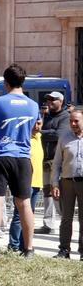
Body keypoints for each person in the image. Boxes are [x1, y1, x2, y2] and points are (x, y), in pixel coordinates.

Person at [0, 64, 40, 258]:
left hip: (0, 155)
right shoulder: (33, 105)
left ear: (5, 83)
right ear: (23, 82)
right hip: (22, 157)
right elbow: (35, 128)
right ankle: (29, 249)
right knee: (24, 203)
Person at [49, 109, 83, 259]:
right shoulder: (64, 138)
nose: (73, 124)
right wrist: (54, 184)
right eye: (71, 121)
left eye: (76, 121)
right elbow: (56, 164)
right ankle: (64, 250)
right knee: (66, 218)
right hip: (67, 183)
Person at [7, 117, 44, 253]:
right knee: (19, 215)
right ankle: (14, 245)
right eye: (34, 124)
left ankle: (24, 245)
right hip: (24, 181)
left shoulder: (40, 137)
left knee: (29, 214)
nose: (36, 127)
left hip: (36, 182)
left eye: (39, 124)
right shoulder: (23, 138)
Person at [38, 91, 69, 234]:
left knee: (58, 194)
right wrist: (45, 130)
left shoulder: (66, 117)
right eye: (48, 100)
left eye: (53, 100)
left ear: (61, 101)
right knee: (47, 193)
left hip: (58, 162)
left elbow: (58, 134)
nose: (49, 102)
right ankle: (48, 224)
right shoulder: (47, 116)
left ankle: (65, 223)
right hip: (45, 160)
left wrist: (41, 132)